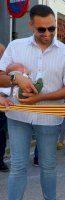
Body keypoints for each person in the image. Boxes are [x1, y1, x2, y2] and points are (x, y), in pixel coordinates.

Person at [0, 5, 65, 200]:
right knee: (18, 166)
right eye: (41, 29)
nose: (47, 33)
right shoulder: (15, 46)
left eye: (52, 28)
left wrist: (40, 98)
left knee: (48, 166)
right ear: (31, 25)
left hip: (50, 116)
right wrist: (15, 79)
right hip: (17, 115)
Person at [0, 43, 10, 172]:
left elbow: (7, 88)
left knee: (1, 136)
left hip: (1, 109)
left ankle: (0, 161)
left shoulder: (6, 69)